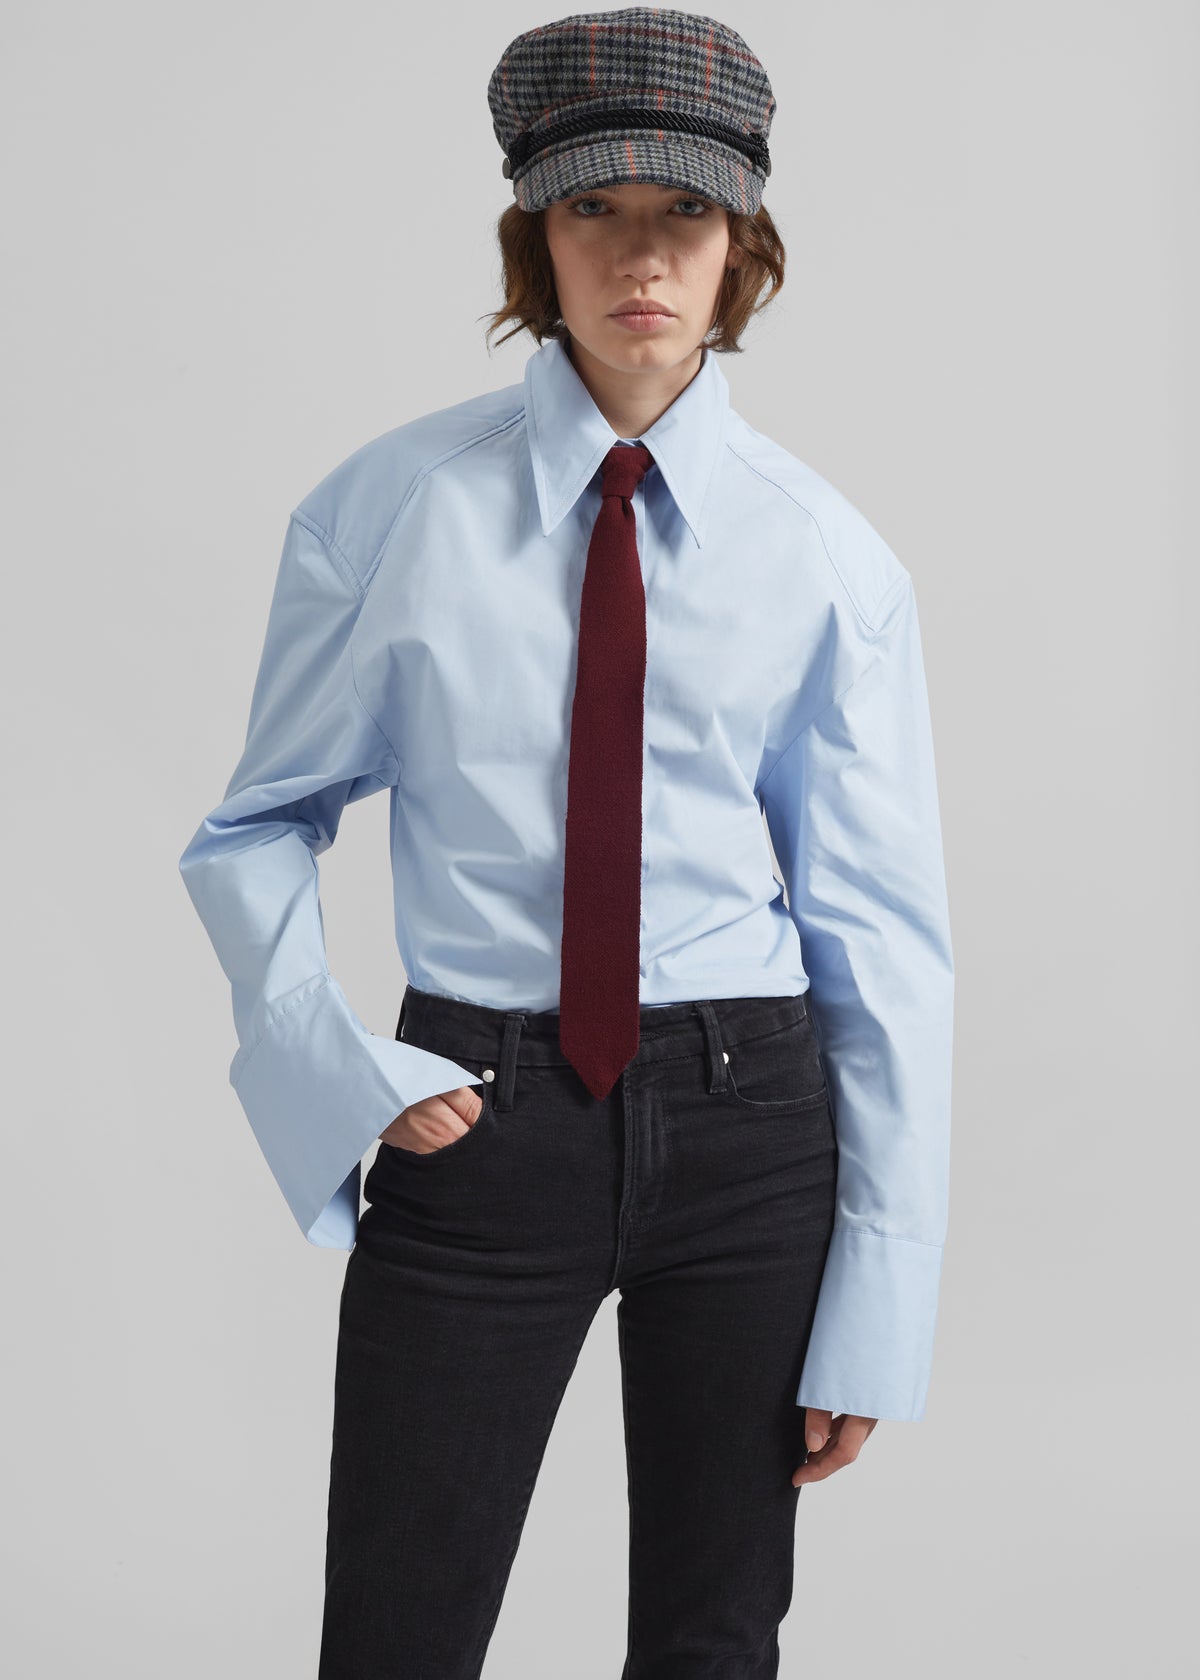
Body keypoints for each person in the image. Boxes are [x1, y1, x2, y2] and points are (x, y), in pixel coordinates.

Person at [178, 8, 954, 1676]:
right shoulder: (390, 514)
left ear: (743, 243)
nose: (640, 258)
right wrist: (344, 1068)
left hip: (753, 1129)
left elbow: (880, 933)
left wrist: (881, 1292)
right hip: (482, 1116)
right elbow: (254, 827)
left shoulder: (825, 558)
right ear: (534, 232)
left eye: (684, 212)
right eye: (593, 209)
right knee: (398, 1633)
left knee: (713, 1640)